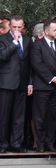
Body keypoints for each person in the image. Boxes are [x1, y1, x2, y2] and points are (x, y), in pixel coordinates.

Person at [30, 19, 56, 152]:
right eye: (55, 29)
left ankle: (50, 143)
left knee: (53, 116)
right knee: (40, 116)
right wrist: (51, 78)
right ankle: (40, 144)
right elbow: (37, 64)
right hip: (43, 86)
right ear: (46, 31)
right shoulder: (37, 45)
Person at [0, 15, 33, 152]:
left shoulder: (27, 40)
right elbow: (2, 56)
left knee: (19, 116)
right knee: (3, 116)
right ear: (10, 26)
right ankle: (2, 144)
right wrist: (14, 43)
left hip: (22, 83)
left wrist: (30, 82)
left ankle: (16, 144)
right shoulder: (3, 39)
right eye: (14, 27)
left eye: (20, 27)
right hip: (6, 83)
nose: (17, 30)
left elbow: (30, 63)